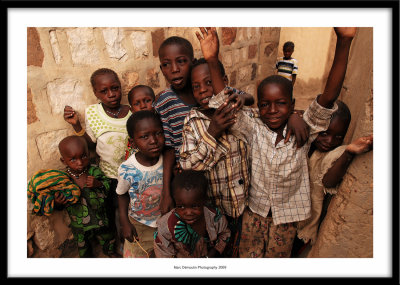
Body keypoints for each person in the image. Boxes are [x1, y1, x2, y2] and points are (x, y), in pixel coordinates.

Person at [197, 26, 357, 257]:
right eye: (264, 104)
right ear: (258, 106)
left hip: (287, 217)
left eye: (280, 103)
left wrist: (344, 41)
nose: (272, 110)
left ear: (292, 105)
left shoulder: (306, 128)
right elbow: (225, 102)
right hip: (255, 213)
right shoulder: (253, 129)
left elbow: (329, 97)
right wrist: (212, 59)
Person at [179, 57, 254, 257]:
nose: (202, 90)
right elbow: (187, 165)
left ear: (224, 81)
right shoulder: (193, 121)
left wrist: (244, 98)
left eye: (209, 82)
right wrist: (212, 133)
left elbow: (257, 124)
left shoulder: (238, 111)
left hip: (244, 206)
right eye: (196, 86)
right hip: (212, 211)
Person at [63, 68, 132, 255]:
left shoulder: (131, 111)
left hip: (132, 174)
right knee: (112, 214)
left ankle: (135, 244)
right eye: (104, 91)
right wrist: (76, 125)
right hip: (108, 176)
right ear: (96, 93)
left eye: (115, 88)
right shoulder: (93, 113)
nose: (111, 94)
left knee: (132, 211)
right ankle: (119, 246)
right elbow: (90, 144)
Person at [295, 100, 373, 252]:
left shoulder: (335, 154)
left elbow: (328, 181)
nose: (330, 141)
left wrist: (349, 152)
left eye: (338, 137)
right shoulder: (303, 140)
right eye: (324, 133)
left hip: (304, 224)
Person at [153, 36, 198, 215]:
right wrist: (166, 193)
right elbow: (169, 148)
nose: (174, 69)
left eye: (181, 61)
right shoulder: (165, 101)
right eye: (166, 64)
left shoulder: (205, 92)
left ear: (192, 62)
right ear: (161, 69)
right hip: (185, 179)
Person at [55, 136, 119, 257]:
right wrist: (58, 202)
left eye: (83, 156)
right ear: (64, 161)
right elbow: (59, 204)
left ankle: (109, 251)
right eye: (73, 159)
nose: (79, 162)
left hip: (100, 218)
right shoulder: (63, 180)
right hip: (79, 224)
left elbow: (107, 186)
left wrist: (98, 184)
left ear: (88, 154)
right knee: (83, 245)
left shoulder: (94, 171)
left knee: (108, 237)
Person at [116, 110, 164, 258]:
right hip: (139, 224)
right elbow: (121, 194)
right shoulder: (127, 169)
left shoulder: (167, 160)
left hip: (163, 223)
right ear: (132, 142)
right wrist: (125, 222)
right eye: (144, 136)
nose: (153, 140)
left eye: (158, 133)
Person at [153, 170, 231, 258]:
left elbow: (225, 234)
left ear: (204, 200)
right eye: (181, 206)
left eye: (194, 206)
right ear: (175, 201)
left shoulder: (215, 217)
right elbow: (163, 254)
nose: (188, 212)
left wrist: (213, 253)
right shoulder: (166, 226)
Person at [125, 84, 156, 160]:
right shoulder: (132, 127)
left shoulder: (161, 121)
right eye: (137, 103)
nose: (143, 106)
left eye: (147, 101)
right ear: (131, 110)